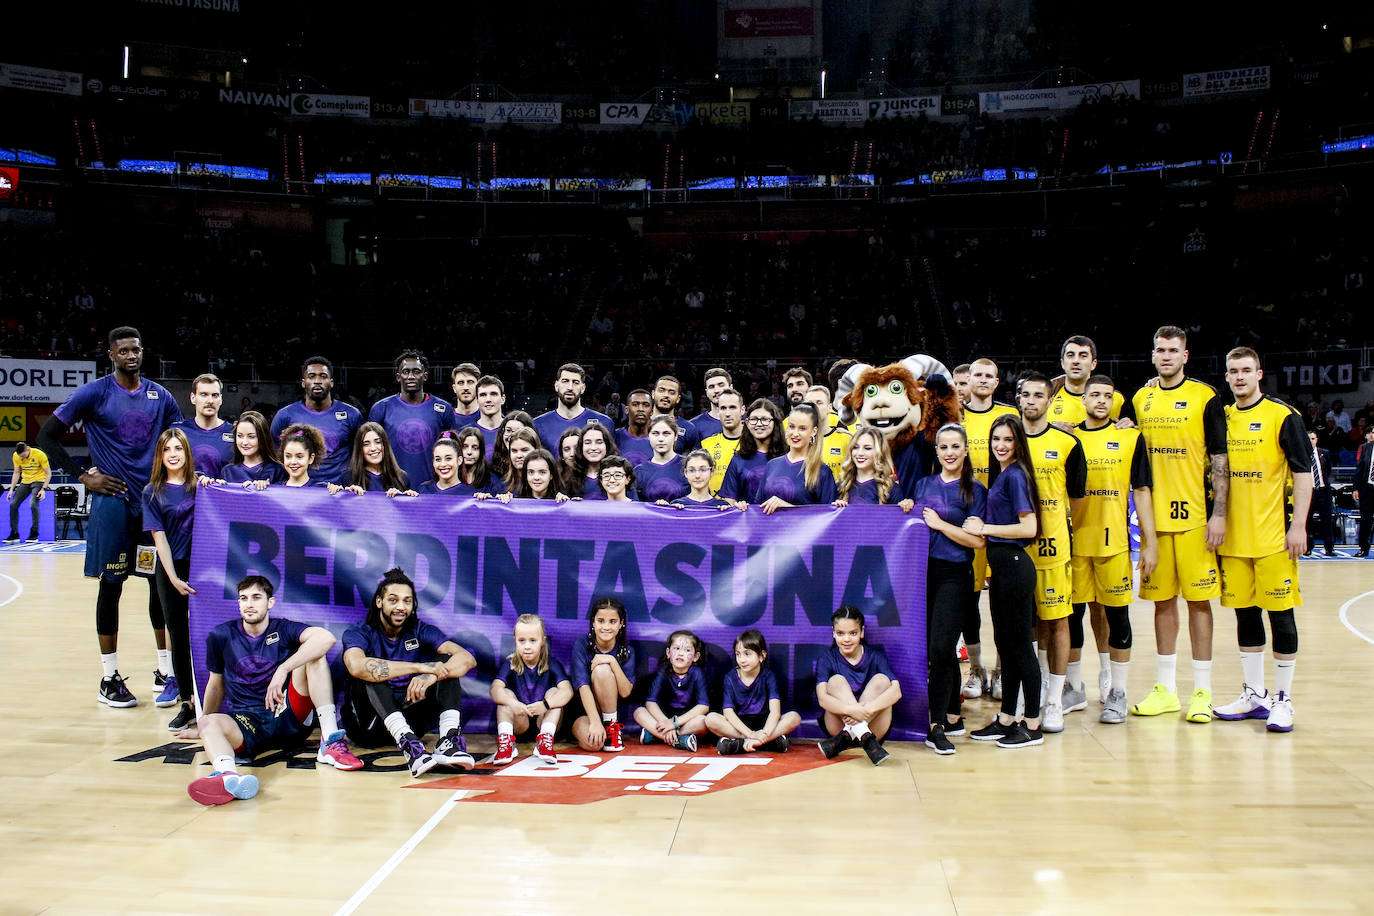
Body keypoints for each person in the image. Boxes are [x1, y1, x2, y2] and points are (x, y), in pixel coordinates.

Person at [38, 326, 182, 708]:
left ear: (142, 352)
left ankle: (166, 671)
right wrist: (83, 476)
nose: (131, 355)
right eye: (123, 350)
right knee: (111, 587)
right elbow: (46, 436)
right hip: (113, 505)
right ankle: (109, 677)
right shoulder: (94, 393)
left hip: (151, 504)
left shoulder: (161, 395)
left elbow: (181, 441)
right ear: (111, 355)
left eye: (136, 349)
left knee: (158, 586)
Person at [182, 575, 362, 806]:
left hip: (286, 713)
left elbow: (325, 638)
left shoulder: (283, 628)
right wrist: (204, 726)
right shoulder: (221, 635)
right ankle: (229, 777)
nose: (249, 604)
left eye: (256, 597)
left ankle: (329, 741)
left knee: (314, 655)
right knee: (208, 722)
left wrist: (283, 669)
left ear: (270, 602)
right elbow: (216, 685)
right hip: (246, 722)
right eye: (243, 598)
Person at [1130, 326, 1229, 723]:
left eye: (1173, 350)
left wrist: (1219, 513)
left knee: (1199, 603)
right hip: (1154, 522)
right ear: (1153, 355)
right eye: (1160, 350)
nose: (1166, 356)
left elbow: (1220, 459)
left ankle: (1202, 691)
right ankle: (1166, 689)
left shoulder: (1205, 397)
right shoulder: (1141, 398)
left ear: (1185, 356)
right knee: (1162, 602)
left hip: (1195, 520)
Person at [1212, 348, 1312, 733]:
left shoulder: (1283, 416)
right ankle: (1255, 694)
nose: (1239, 377)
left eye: (1246, 370)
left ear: (1259, 374)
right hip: (1233, 541)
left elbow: (1303, 473)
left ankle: (1283, 700)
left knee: (1281, 617)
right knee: (1246, 616)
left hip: (1273, 540)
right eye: (1233, 371)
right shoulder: (1222, 416)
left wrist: (1298, 525)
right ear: (1226, 376)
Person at [1073, 376, 1158, 724]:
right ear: (1083, 399)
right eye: (1094, 395)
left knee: (1118, 617)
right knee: (1072, 617)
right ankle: (1073, 687)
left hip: (1115, 544)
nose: (1101, 401)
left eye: (1107, 396)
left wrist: (1150, 542)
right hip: (1075, 544)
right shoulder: (1068, 438)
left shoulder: (1130, 437)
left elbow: (1142, 490)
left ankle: (1117, 691)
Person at [341, 567, 478, 775]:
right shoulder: (360, 632)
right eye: (393, 600)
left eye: (407, 601)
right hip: (369, 726)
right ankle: (409, 746)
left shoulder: (419, 629)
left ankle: (448, 743)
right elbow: (356, 665)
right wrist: (419, 667)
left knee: (445, 664)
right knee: (371, 671)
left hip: (411, 719)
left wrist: (431, 674)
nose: (401, 607)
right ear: (379, 602)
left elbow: (467, 659)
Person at [965, 415, 1045, 748]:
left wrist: (984, 528)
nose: (1000, 445)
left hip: (1014, 566)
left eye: (1008, 440)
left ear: (1018, 443)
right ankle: (1007, 717)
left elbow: (1029, 528)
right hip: (1001, 569)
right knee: (1006, 646)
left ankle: (1033, 724)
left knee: (1021, 647)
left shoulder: (1016, 476)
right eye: (996, 439)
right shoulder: (1004, 474)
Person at [911, 424, 987, 754]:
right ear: (937, 451)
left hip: (955, 574)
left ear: (966, 450)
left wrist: (941, 525)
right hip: (921, 573)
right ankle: (953, 715)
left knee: (942, 648)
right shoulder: (923, 484)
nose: (950, 453)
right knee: (935, 649)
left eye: (956, 446)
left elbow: (978, 541)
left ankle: (937, 723)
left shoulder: (975, 490)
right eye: (944, 447)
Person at [1017, 371, 1086, 734]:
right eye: (1025, 395)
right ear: (1018, 399)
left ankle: (1056, 701)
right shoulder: (1008, 440)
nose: (1031, 401)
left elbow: (1077, 501)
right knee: (1023, 626)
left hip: (1053, 549)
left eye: (1038, 395)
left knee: (1058, 621)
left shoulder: (1067, 443)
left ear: (1049, 401)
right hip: (1016, 548)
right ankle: (1033, 690)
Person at [960, 358, 1019, 701]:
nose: (982, 380)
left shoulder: (1009, 416)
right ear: (968, 380)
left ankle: (1000, 669)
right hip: (967, 520)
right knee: (969, 602)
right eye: (977, 375)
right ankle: (976, 669)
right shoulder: (956, 417)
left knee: (1001, 602)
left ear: (997, 382)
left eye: (988, 376)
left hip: (1001, 520)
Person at [143, 427, 204, 730]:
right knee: (178, 637)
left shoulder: (201, 485)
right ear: (160, 455)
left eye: (178, 448)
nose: (173, 454)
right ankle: (187, 703)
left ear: (187, 452)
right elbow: (160, 539)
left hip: (202, 567)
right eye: (167, 449)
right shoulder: (152, 491)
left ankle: (210, 700)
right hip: (170, 570)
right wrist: (173, 578)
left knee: (205, 634)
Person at [815, 606, 902, 765]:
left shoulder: (876, 656)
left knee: (882, 680)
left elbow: (896, 692)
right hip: (838, 726)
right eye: (840, 633)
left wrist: (866, 710)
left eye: (853, 633)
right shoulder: (827, 658)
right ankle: (864, 736)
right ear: (833, 633)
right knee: (836, 681)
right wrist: (852, 710)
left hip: (873, 728)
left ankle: (848, 737)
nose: (846, 639)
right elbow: (822, 699)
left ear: (862, 632)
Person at [490, 614, 573, 765]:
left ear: (543, 641)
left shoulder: (552, 664)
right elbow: (495, 689)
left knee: (555, 693)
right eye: (521, 640)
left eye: (533, 640)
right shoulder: (510, 663)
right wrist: (513, 703)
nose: (527, 646)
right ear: (515, 640)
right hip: (520, 723)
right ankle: (506, 743)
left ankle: (545, 741)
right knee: (505, 695)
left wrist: (545, 705)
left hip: (544, 722)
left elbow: (567, 691)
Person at [368, 350, 457, 491]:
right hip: (391, 489)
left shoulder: (443, 409)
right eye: (405, 372)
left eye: (416, 371)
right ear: (398, 377)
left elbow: (451, 450)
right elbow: (370, 453)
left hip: (432, 490)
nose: (410, 376)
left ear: (425, 376)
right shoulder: (381, 409)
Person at [269, 356, 363, 485]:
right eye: (311, 376)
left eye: (323, 376)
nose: (317, 381)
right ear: (303, 383)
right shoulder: (284, 415)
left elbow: (360, 452)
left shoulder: (351, 414)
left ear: (331, 382)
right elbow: (274, 454)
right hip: (300, 490)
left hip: (340, 490)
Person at [705, 629, 801, 754]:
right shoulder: (730, 677)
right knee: (711, 719)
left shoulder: (769, 676)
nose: (742, 660)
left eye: (747, 654)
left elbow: (775, 712)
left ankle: (745, 744)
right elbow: (728, 712)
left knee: (794, 717)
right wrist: (750, 734)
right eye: (738, 654)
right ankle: (767, 743)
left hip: (764, 724)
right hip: (740, 726)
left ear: (762, 656)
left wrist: (765, 733)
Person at [570, 596, 637, 753]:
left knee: (603, 669)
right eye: (601, 621)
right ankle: (598, 727)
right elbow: (583, 687)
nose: (606, 627)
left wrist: (612, 661)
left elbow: (625, 692)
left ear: (621, 623)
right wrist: (594, 721)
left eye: (612, 622)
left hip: (611, 713)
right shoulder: (581, 645)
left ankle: (612, 727)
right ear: (593, 622)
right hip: (585, 713)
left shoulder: (627, 651)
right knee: (594, 744)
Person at [633, 630, 710, 751]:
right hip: (664, 718)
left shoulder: (697, 673)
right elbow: (651, 702)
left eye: (687, 650)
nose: (681, 653)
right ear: (668, 653)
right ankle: (679, 741)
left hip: (686, 721)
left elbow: (703, 706)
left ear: (696, 657)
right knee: (639, 712)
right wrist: (666, 723)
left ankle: (656, 736)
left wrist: (674, 723)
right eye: (677, 648)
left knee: (704, 721)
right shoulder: (664, 670)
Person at [756, 403, 837, 513]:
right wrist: (742, 507)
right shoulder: (772, 465)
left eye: (802, 428)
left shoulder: (822, 471)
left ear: (814, 431)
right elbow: (757, 507)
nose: (795, 433)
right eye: (792, 427)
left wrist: (788, 508)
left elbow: (828, 516)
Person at [719, 398, 786, 508]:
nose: (759, 424)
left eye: (765, 419)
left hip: (786, 518)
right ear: (747, 422)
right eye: (753, 419)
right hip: (750, 519)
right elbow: (729, 501)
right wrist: (737, 506)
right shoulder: (738, 459)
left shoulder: (789, 455)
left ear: (775, 422)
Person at [532, 363, 613, 452]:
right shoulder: (537, 424)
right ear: (556, 386)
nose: (570, 387)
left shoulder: (604, 422)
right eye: (565, 381)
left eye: (575, 382)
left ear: (583, 388)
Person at [1048, 336, 1126, 428]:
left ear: (1093, 364)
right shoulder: (1045, 399)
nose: (1076, 361)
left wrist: (1129, 424)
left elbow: (1131, 428)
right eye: (1070, 355)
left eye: (1083, 356)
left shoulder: (1116, 399)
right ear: (1063, 363)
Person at [172, 373, 234, 480]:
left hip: (222, 491)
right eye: (204, 394)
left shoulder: (235, 433)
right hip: (185, 490)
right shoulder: (178, 431)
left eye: (215, 395)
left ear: (221, 399)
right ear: (193, 398)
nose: (210, 401)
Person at [833, 424, 911, 508]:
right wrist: (836, 509)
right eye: (855, 447)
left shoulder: (891, 489)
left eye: (867, 448)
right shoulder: (840, 487)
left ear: (880, 452)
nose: (860, 453)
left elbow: (897, 516)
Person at [331, 422, 414, 496]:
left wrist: (407, 498)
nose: (373, 448)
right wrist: (341, 493)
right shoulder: (348, 477)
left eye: (378, 442)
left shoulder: (402, 478)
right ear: (360, 449)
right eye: (366, 444)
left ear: (385, 445)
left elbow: (407, 508)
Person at [221, 411, 285, 488]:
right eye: (240, 436)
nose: (244, 442)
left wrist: (265, 488)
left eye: (251, 437)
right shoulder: (227, 471)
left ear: (263, 438)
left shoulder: (278, 470)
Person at [699, 388, 745, 494]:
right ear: (718, 411)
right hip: (713, 504)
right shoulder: (705, 445)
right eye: (723, 408)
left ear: (742, 410)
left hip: (744, 504)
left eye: (732, 407)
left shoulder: (754, 444)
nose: (727, 413)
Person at [635, 415, 689, 502]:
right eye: (655, 433)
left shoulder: (689, 466)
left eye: (666, 433)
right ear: (648, 436)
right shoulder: (639, 471)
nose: (660, 439)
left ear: (675, 436)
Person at [804, 385, 853, 480]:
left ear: (829, 408)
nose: (814, 407)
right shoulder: (799, 440)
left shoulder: (846, 439)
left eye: (819, 402)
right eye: (810, 403)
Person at [6, 442, 50, 542]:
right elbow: (16, 472)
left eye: (23, 456)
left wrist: (43, 489)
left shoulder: (39, 454)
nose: (22, 458)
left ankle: (34, 533)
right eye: (20, 456)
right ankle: (14, 533)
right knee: (13, 504)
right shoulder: (16, 455)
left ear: (27, 450)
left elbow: (48, 473)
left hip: (39, 481)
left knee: (33, 504)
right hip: (25, 481)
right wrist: (11, 489)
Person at [669, 450, 736, 509]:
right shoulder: (676, 505)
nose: (697, 476)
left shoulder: (722, 506)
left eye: (703, 470)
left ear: (712, 471)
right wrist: (669, 510)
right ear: (685, 473)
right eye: (692, 470)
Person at [1305, 430, 1336, 556]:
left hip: (1323, 491)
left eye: (1313, 439)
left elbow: (1328, 470)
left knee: (1327, 520)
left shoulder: (1324, 453)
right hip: (1308, 492)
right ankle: (1308, 547)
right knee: (1307, 521)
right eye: (1308, 439)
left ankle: (1329, 548)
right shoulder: (1301, 455)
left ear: (1316, 440)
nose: (1311, 441)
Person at [572, 421, 619, 500]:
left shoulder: (620, 476)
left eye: (599, 442)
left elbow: (633, 504)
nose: (593, 448)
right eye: (587, 443)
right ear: (581, 447)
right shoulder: (570, 477)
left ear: (607, 445)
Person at [490, 411, 535, 484]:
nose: (512, 435)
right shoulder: (494, 464)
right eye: (508, 430)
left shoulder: (540, 463)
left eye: (518, 431)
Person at [613, 389, 655, 467]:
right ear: (627, 410)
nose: (640, 409)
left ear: (652, 412)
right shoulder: (614, 436)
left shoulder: (658, 440)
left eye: (646, 405)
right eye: (635, 404)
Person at [691, 367, 733, 444]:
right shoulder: (693, 426)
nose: (716, 390)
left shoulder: (748, 420)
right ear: (706, 392)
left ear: (731, 388)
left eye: (721, 385)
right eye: (711, 387)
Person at [495, 427, 540, 495]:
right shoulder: (501, 485)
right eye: (514, 451)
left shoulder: (549, 482)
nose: (519, 455)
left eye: (524, 450)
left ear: (536, 450)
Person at [471, 375, 507, 461]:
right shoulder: (465, 433)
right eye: (483, 395)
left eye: (493, 394)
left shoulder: (514, 432)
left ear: (503, 399)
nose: (488, 399)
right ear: (477, 400)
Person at [1357, 427, 1374, 558]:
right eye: (1372, 432)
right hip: (1367, 488)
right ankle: (1363, 548)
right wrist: (1355, 488)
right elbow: (1359, 469)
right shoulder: (1365, 448)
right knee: (1365, 520)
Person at [450, 362, 482, 428]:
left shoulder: (492, 417)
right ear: (454, 388)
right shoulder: (445, 419)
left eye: (470, 382)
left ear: (478, 387)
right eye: (461, 383)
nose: (465, 387)